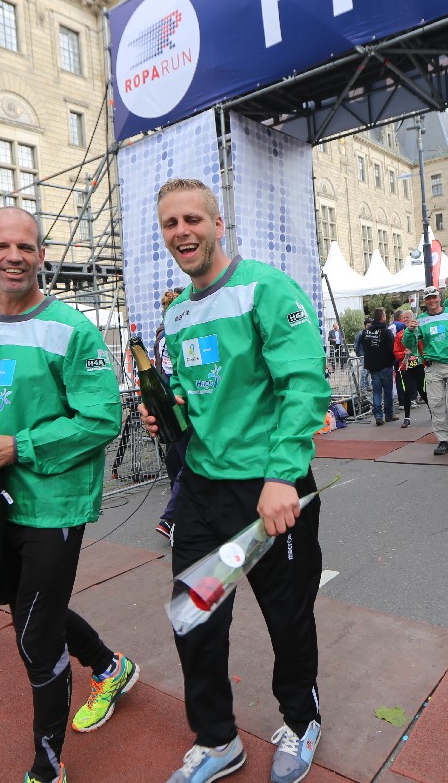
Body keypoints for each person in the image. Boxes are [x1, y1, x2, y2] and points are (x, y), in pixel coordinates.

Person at [141, 178, 330, 783]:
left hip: (270, 490)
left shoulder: (265, 288)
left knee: (288, 618)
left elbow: (305, 384)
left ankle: (301, 721)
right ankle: (217, 740)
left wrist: (281, 475)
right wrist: (166, 410)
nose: (182, 232)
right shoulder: (176, 310)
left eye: (193, 219)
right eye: (170, 223)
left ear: (218, 225)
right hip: (202, 491)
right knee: (195, 616)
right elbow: (193, 390)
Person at [0, 206, 137, 783]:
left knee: (33, 631)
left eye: (25, 247)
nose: (14, 257)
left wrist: (17, 447)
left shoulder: (72, 329)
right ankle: (109, 666)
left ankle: (47, 767)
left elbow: (101, 418)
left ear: (41, 257)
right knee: (30, 608)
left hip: (54, 504)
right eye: (2, 246)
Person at [406, 286, 448, 455]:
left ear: (439, 298)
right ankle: (444, 441)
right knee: (436, 404)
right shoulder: (421, 319)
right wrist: (409, 331)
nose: (432, 301)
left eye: (434, 297)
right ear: (425, 301)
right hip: (432, 367)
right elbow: (410, 344)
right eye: (428, 298)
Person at [156, 288, 188, 540]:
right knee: (185, 465)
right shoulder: (170, 334)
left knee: (179, 463)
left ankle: (172, 519)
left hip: (173, 404)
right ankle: (171, 519)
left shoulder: (163, 335)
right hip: (177, 406)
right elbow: (173, 372)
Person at [360, 307, 397, 425]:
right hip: (385, 365)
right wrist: (393, 360)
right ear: (383, 317)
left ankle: (378, 416)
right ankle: (389, 414)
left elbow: (362, 346)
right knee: (387, 391)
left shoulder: (366, 332)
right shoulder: (386, 332)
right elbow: (391, 349)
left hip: (372, 365)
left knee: (376, 391)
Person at [394, 309, 427, 428]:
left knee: (422, 390)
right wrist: (404, 354)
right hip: (405, 366)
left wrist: (425, 361)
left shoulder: (419, 333)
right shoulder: (399, 335)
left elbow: (423, 348)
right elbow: (396, 352)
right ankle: (407, 418)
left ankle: (433, 412)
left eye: (408, 317)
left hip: (418, 365)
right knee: (407, 390)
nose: (406, 319)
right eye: (404, 317)